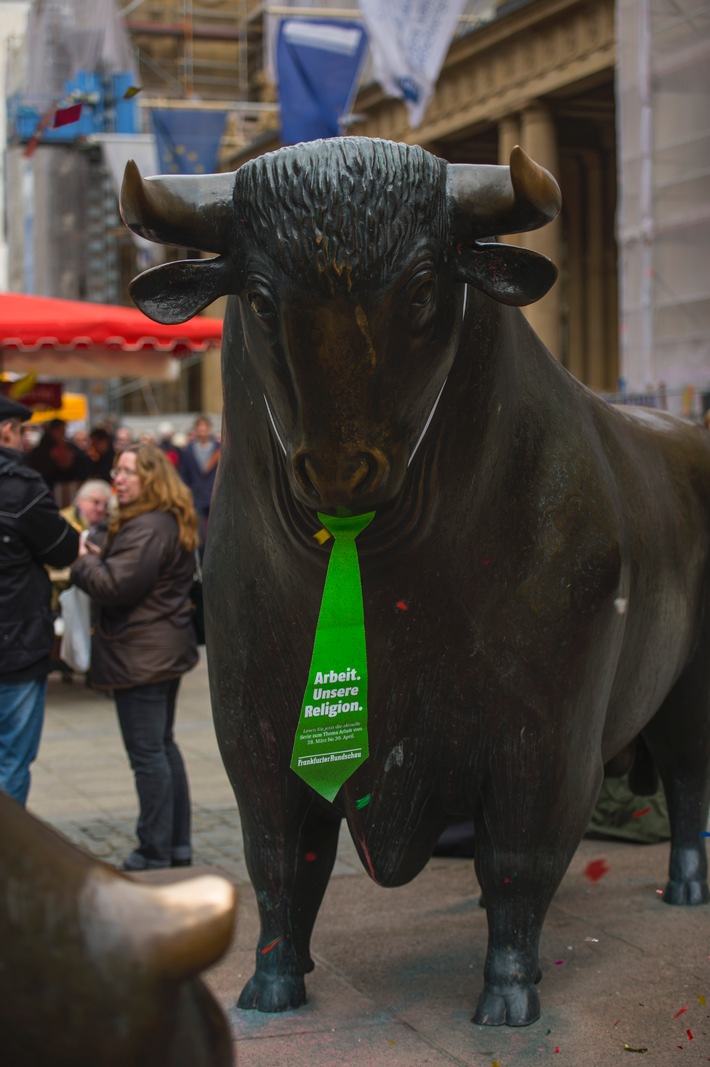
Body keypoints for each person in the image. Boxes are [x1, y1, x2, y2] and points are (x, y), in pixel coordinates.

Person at [71, 444, 199, 870]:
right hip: (158, 649)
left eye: (128, 472)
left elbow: (115, 585)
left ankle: (154, 849)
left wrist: (82, 564)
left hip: (143, 654)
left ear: (151, 478)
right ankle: (176, 845)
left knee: (149, 753)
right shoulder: (161, 520)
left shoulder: (149, 527)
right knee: (162, 747)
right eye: (116, 471)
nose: (118, 479)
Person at [0, 397, 80, 805]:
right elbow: (64, 549)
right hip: (15, 643)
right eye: (21, 429)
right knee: (12, 758)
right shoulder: (19, 487)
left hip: (16, 640)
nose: (25, 438)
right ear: (5, 431)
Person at [178, 415, 220, 553]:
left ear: (209, 430)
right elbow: (183, 474)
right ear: (196, 430)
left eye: (205, 429)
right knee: (200, 538)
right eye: (200, 429)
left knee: (217, 535)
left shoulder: (219, 449)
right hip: (196, 497)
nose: (202, 432)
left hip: (216, 496)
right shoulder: (187, 451)